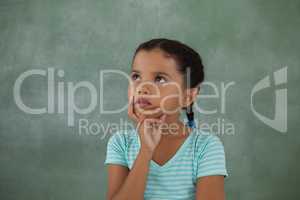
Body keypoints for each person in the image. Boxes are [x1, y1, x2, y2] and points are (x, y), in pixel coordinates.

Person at [104, 38, 228, 200]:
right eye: (136, 76)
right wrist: (145, 152)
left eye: (160, 79)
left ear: (188, 96)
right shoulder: (121, 143)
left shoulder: (205, 147)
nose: (142, 88)